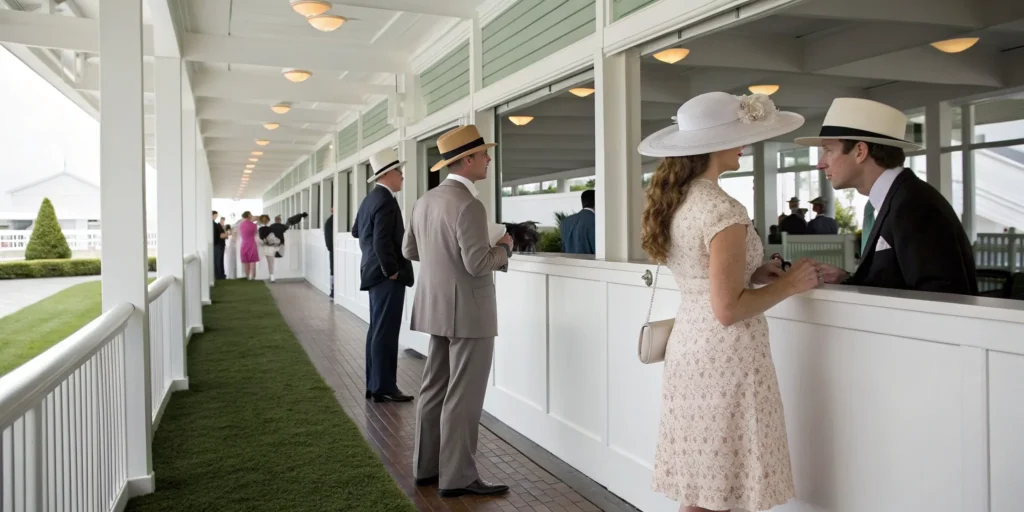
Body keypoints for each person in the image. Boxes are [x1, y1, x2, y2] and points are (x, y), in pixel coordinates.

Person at [638, 92, 822, 512]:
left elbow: (704, 276)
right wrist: (791, 283)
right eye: (738, 136)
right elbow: (729, 310)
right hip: (727, 357)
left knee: (704, 488)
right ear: (714, 144)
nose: (745, 144)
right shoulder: (723, 209)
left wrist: (751, 272)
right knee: (725, 490)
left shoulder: (677, 202)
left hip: (689, 350)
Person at [403, 124, 514, 498]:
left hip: (435, 307)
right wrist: (506, 246)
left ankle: (427, 469)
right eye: (483, 153)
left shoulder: (424, 200)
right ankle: (458, 477)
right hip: (469, 311)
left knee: (434, 388)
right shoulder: (468, 204)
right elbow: (478, 263)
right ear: (466, 160)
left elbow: (410, 251)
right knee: (463, 397)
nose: (487, 159)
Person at [794, 97, 978, 295]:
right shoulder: (896, 199)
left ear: (860, 151)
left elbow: (940, 297)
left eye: (828, 151)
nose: (821, 163)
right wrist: (847, 280)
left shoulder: (913, 206)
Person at [351, 148, 415, 403]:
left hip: (372, 273)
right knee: (386, 331)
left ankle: (376, 385)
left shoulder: (370, 199)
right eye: (400, 171)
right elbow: (380, 241)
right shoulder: (386, 200)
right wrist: (392, 271)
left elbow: (357, 231)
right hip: (385, 276)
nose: (402, 176)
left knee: (378, 330)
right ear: (388, 173)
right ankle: (384, 387)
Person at [560, 189, 596, 254]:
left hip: (569, 262)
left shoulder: (566, 221)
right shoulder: (596, 220)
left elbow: (564, 248)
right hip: (592, 263)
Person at [257, 215, 281, 282]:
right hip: (270, 248)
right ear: (268, 221)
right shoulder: (271, 229)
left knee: (260, 262)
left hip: (262, 247)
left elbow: (259, 240)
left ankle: (259, 275)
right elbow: (276, 240)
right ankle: (271, 276)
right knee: (271, 262)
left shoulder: (259, 229)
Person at [238, 211, 260, 280]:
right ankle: (252, 276)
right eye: (251, 214)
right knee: (252, 260)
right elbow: (255, 233)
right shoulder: (254, 225)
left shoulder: (241, 224)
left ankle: (247, 276)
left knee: (245, 261)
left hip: (244, 243)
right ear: (248, 216)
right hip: (252, 243)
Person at [213, 211, 227, 279]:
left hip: (218, 244)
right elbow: (221, 235)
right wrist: (226, 235)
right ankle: (219, 275)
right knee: (218, 260)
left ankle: (220, 274)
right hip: (218, 244)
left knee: (219, 260)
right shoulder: (216, 225)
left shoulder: (216, 225)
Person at [324, 207, 334, 299]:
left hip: (332, 248)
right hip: (333, 249)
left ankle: (333, 290)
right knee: (333, 270)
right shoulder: (331, 222)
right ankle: (332, 290)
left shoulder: (329, 221)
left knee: (333, 269)